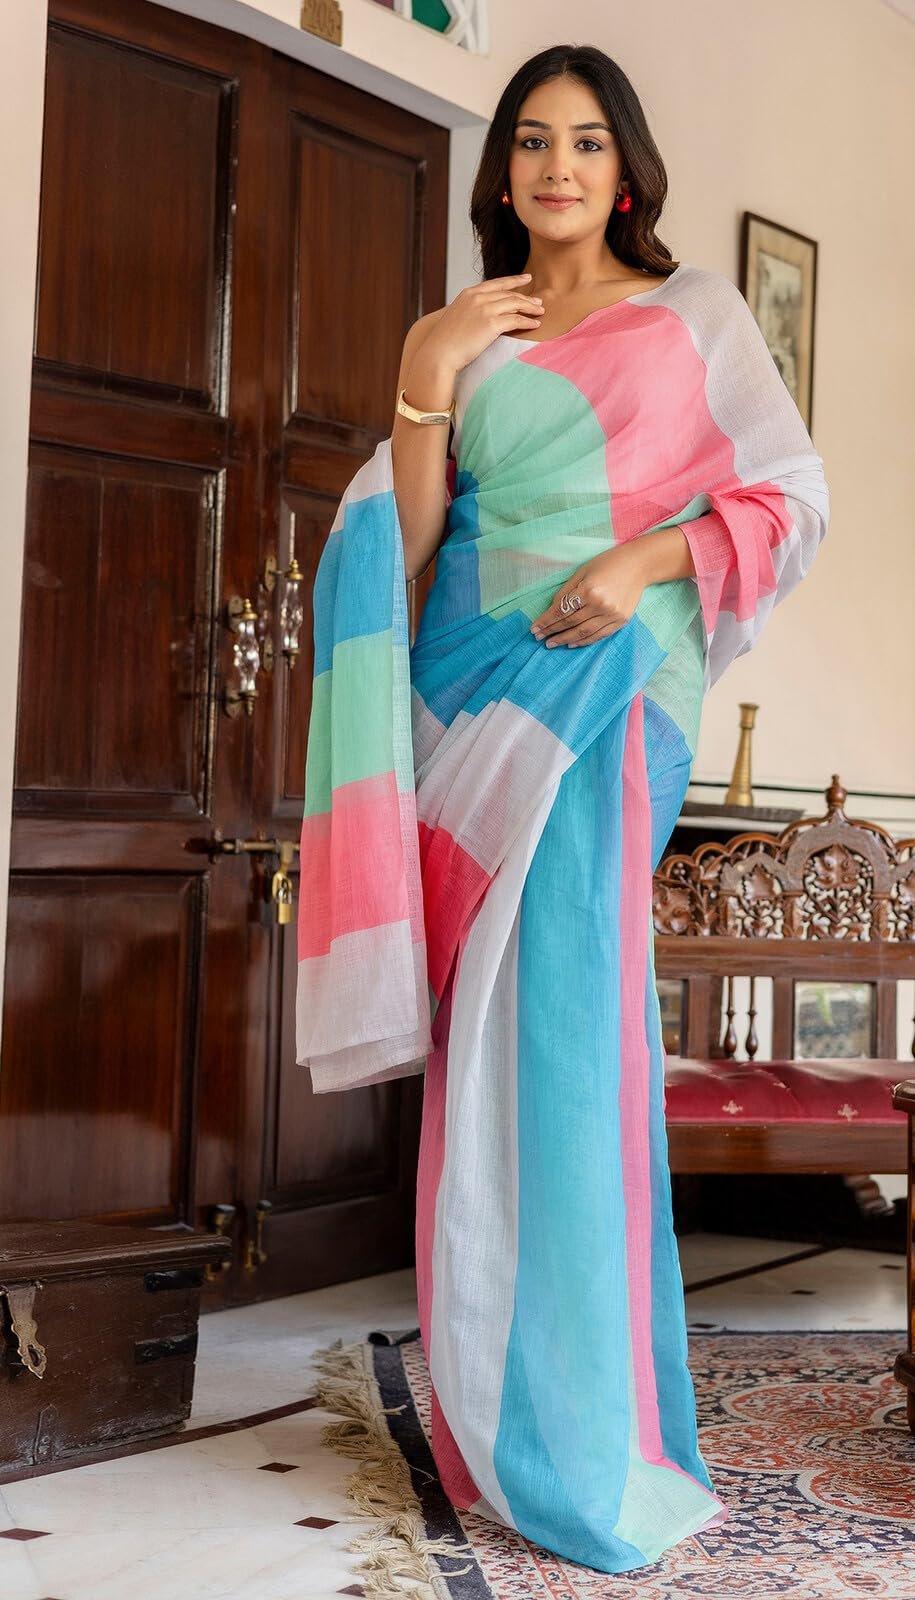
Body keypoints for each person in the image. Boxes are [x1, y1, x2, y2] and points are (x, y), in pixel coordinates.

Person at [296, 42, 830, 1575]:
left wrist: (639, 562)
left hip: (612, 698)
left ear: (628, 170)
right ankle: (499, 1413)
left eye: (587, 142)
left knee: (573, 1039)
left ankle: (590, 1438)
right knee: (494, 1054)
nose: (557, 166)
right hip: (473, 705)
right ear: (503, 170)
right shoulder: (474, 333)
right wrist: (424, 368)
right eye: (532, 140)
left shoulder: (695, 315)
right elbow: (405, 548)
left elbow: (789, 499)